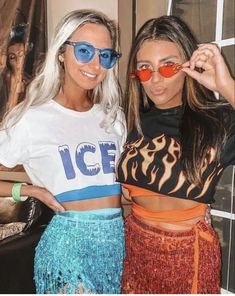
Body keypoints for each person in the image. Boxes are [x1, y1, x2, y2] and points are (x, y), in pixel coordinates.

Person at [0, 9, 126, 294]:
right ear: (61, 53)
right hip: (68, 250)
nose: (95, 64)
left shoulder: (113, 117)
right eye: (84, 51)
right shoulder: (31, 119)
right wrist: (31, 191)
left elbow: (120, 187)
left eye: (105, 55)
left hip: (115, 248)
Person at [116, 15, 235, 294]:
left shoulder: (217, 121)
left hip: (188, 255)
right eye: (145, 69)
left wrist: (224, 84)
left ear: (188, 64)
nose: (155, 80)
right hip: (135, 247)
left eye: (168, 66)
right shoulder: (132, 121)